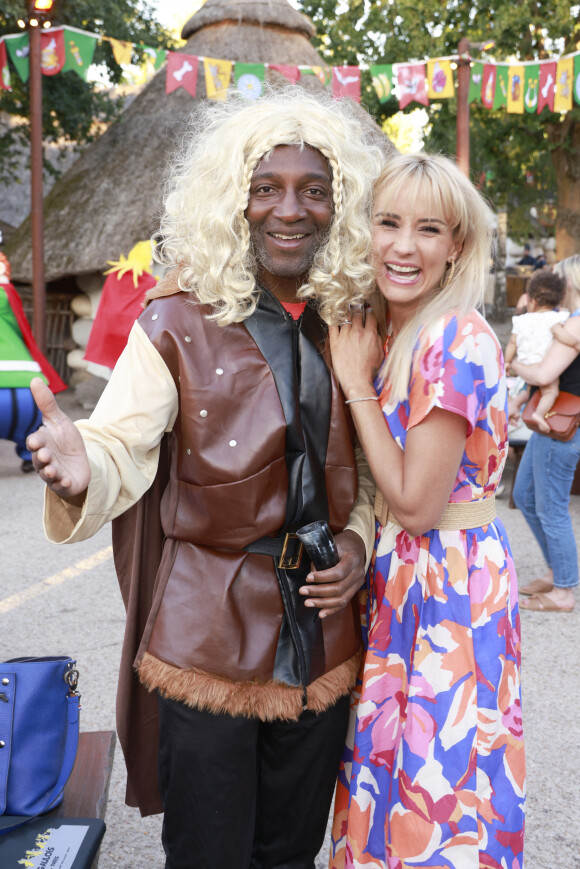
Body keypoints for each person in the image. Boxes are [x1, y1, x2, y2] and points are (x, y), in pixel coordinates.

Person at [27, 90, 386, 869]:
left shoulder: (357, 322)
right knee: (208, 855)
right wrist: (82, 465)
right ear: (235, 199)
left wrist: (357, 541)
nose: (290, 209)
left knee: (291, 853)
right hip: (205, 629)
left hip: (323, 632)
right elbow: (120, 441)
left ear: (342, 203)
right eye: (267, 188)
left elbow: (368, 477)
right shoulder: (176, 320)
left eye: (314, 189)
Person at [326, 153, 525, 868]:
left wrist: (353, 383)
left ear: (456, 246)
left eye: (428, 229)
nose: (403, 246)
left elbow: (413, 503)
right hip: (416, 578)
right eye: (388, 222)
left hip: (446, 584)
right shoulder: (405, 332)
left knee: (439, 786)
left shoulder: (454, 338)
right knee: (399, 770)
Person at [511, 254, 580, 613]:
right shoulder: (567, 322)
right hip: (550, 421)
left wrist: (513, 365)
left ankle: (564, 591)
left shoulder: (577, 323)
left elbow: (541, 373)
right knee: (524, 495)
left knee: (550, 507)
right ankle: (558, 570)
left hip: (562, 427)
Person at [0, 249, 67, 472]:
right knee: (31, 428)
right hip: (27, 390)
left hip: (21, 387)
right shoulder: (8, 295)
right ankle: (29, 455)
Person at [504, 269, 568, 432]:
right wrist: (575, 343)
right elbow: (560, 335)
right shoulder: (558, 318)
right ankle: (539, 414)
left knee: (529, 390)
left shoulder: (521, 320)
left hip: (525, 363)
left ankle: (514, 407)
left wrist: (507, 362)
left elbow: (512, 343)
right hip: (543, 364)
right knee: (551, 391)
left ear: (532, 301)